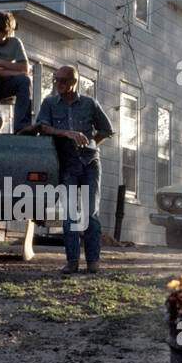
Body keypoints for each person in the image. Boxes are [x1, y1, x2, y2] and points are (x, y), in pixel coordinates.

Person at [35, 65, 114, 274]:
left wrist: (91, 143)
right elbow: (42, 127)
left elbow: (107, 129)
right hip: (67, 164)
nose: (58, 84)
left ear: (74, 82)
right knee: (69, 214)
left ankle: (93, 262)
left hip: (89, 163)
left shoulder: (89, 104)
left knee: (90, 213)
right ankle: (72, 262)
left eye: (63, 80)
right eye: (56, 79)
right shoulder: (50, 103)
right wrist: (68, 133)